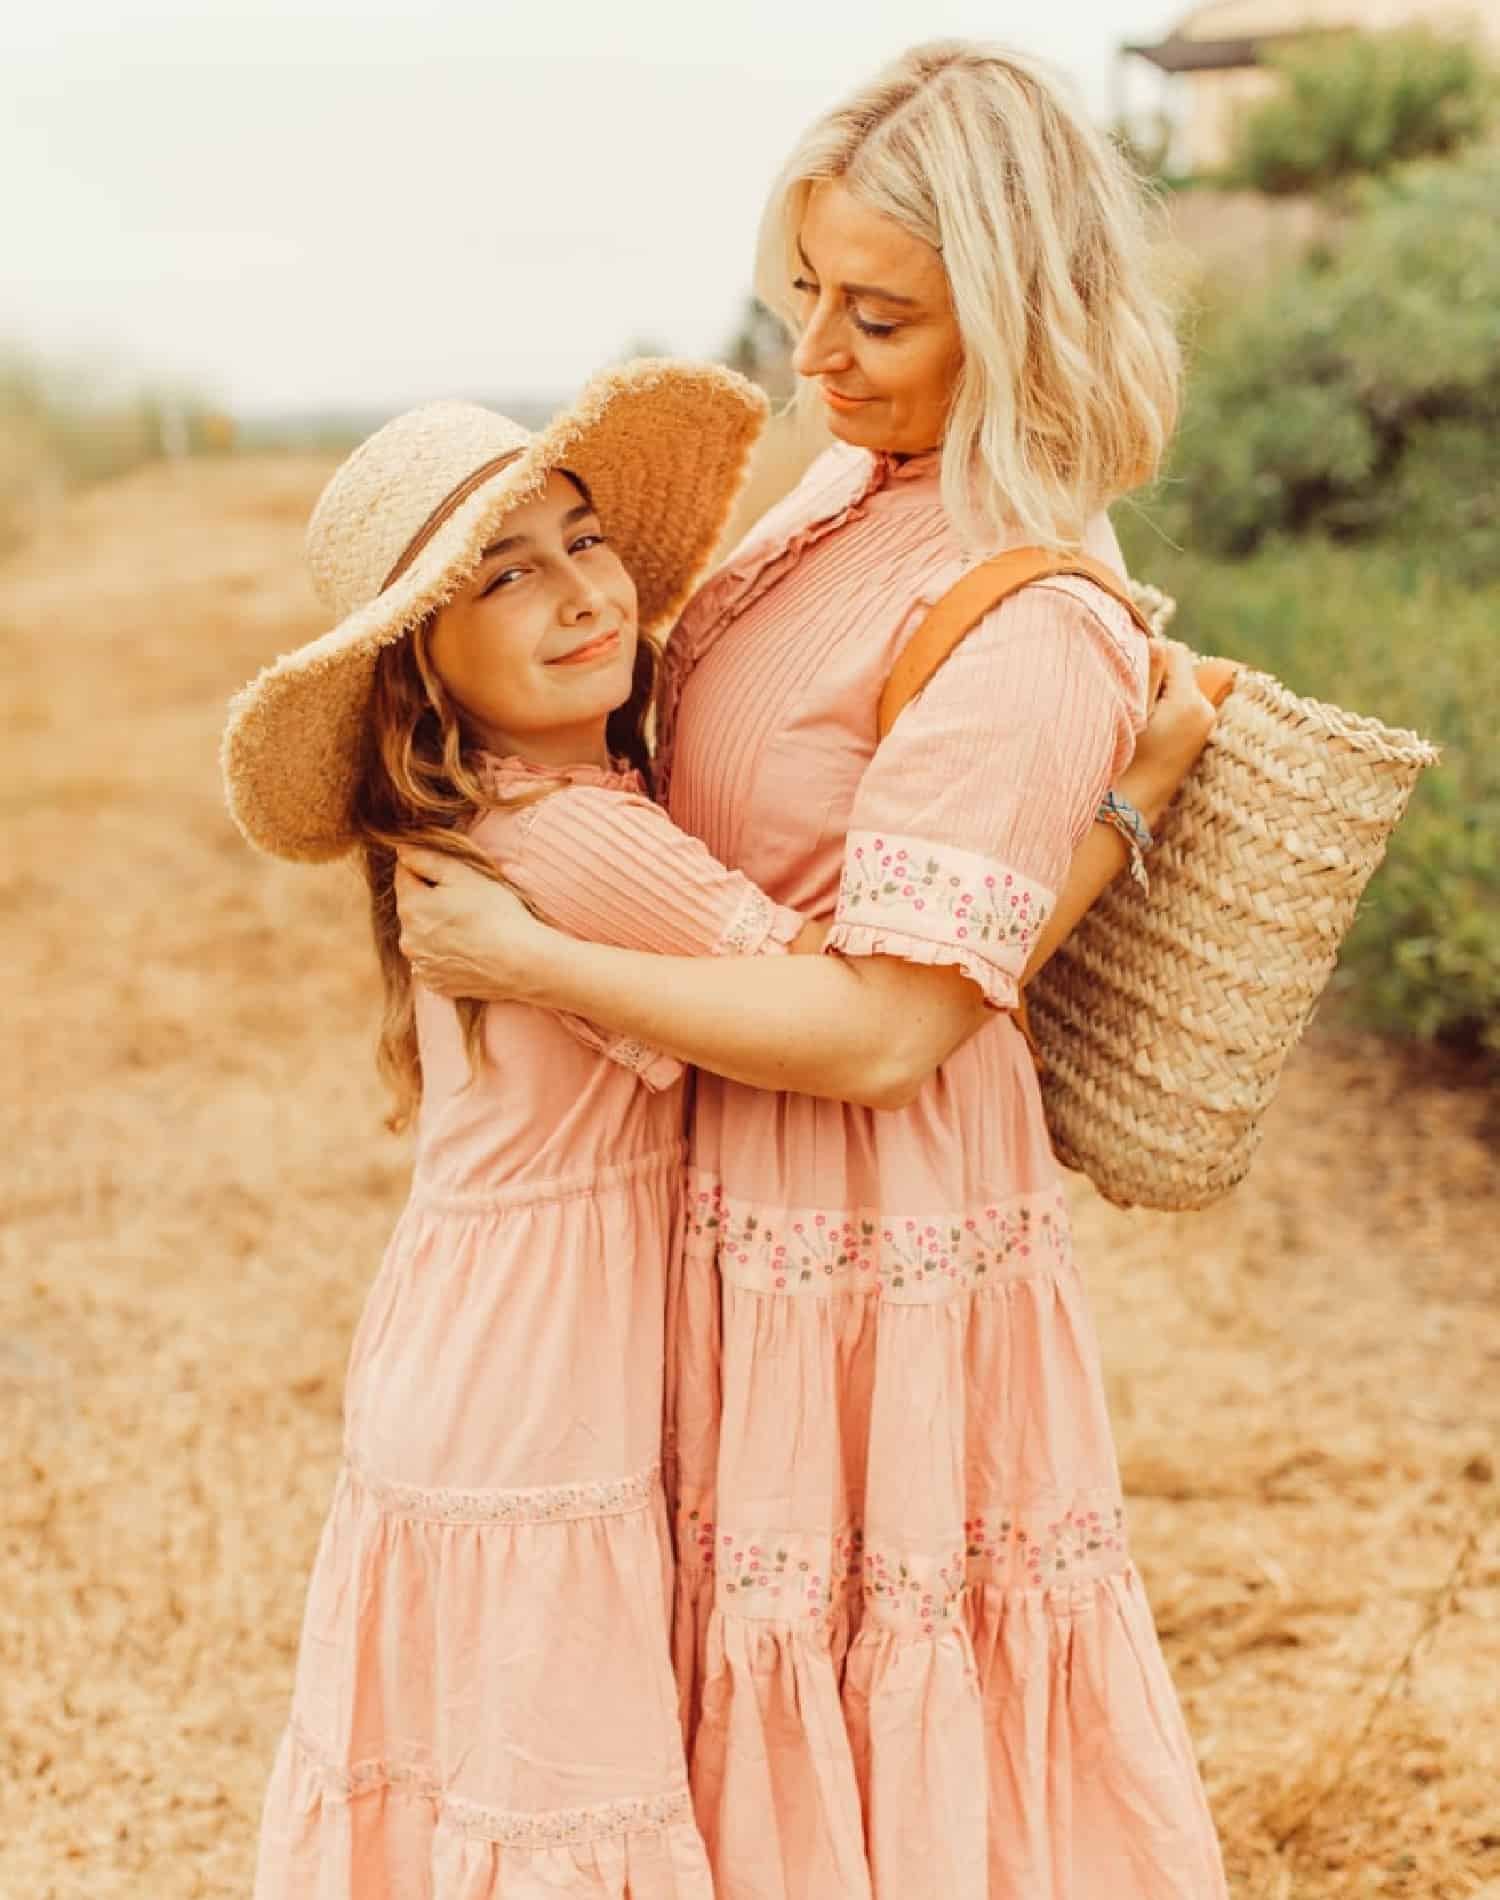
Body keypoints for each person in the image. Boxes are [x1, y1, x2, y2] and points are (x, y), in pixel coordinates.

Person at [392, 39, 1231, 1900]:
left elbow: (886, 1031)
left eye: (879, 316)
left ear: (1018, 317)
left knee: (873, 1732)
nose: (819, 362)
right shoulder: (840, 487)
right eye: (805, 302)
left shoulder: (1035, 606)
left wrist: (537, 957)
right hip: (723, 1204)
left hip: (866, 1232)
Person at [221, 360, 797, 1897]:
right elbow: (841, 1002)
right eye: (504, 574)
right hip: (541, 1367)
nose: (577, 591)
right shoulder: (579, 837)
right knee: (556, 1779)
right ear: (419, 667)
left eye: (584, 540)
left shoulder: (494, 807)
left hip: (467, 1343)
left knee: (475, 1772)